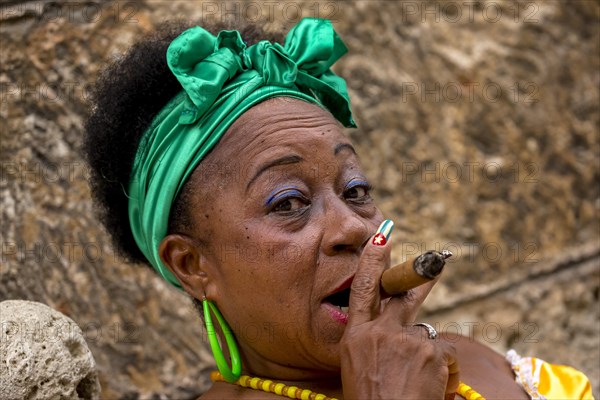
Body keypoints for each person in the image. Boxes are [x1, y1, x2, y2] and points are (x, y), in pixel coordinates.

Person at [83, 18, 593, 399]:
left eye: (354, 190)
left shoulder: (466, 360)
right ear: (192, 266)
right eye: (288, 202)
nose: (352, 226)